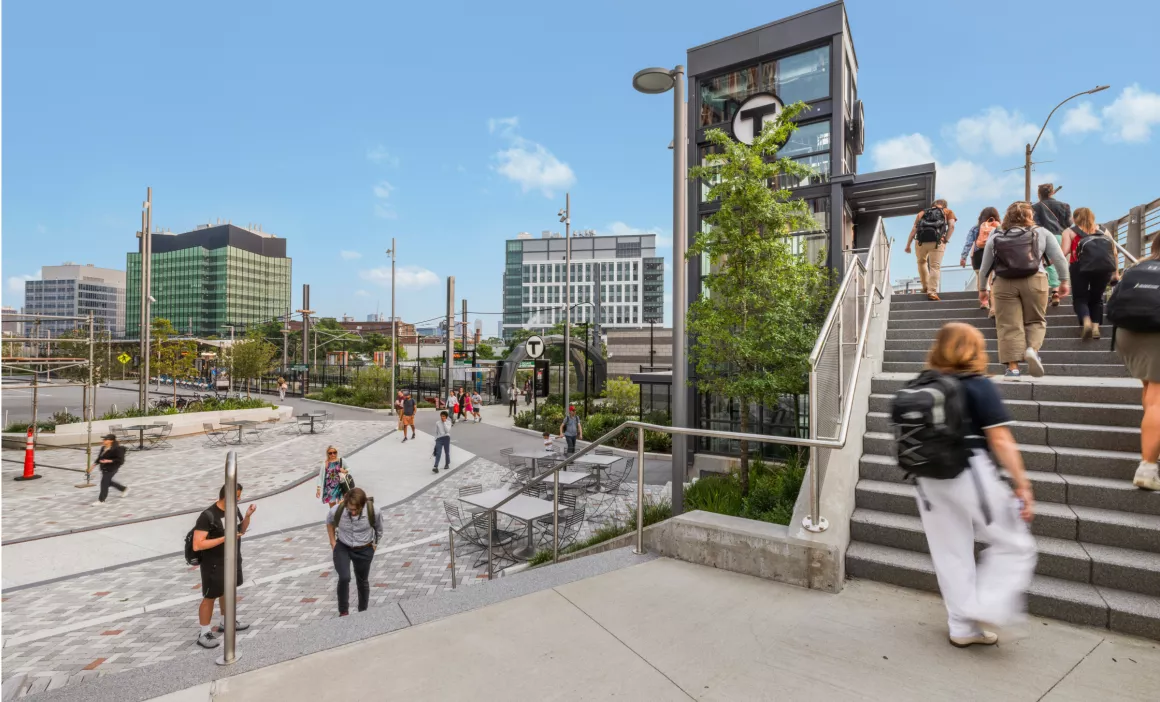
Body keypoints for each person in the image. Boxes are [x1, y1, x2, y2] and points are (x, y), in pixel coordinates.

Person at [915, 323, 1037, 647]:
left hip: (926, 479)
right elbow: (1000, 439)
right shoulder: (977, 385)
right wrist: (1022, 485)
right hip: (968, 471)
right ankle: (987, 607)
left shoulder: (922, 385)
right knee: (1016, 544)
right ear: (974, 349)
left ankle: (963, 628)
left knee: (950, 552)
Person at [978, 201, 1070, 379]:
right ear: (1030, 216)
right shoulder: (1041, 232)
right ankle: (1032, 349)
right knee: (1035, 320)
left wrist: (983, 288)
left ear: (1007, 216)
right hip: (1035, 279)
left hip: (1003, 282)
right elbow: (1059, 259)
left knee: (1008, 324)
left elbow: (985, 267)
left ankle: (1013, 369)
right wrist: (1064, 281)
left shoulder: (997, 234)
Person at [1108, 239, 1160, 491]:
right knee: (1159, 398)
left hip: (1127, 335)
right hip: (1155, 332)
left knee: (1152, 391)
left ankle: (1153, 442)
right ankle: (1148, 467)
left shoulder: (1137, 268)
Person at [192, 483, 256, 648]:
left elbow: (240, 529)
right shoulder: (208, 516)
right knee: (210, 597)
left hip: (233, 559)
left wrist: (248, 516)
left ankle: (226, 622)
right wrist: (224, 538)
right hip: (213, 564)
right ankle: (204, 633)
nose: (240, 499)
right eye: (237, 496)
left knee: (227, 591)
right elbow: (197, 544)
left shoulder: (234, 509)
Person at [1061, 207, 1117, 340]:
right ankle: (1096, 328)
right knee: (1097, 298)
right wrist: (1116, 273)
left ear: (1075, 218)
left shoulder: (1070, 231)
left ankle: (1086, 320)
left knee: (1080, 297)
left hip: (1079, 266)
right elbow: (1114, 252)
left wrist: (1049, 262)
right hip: (1104, 268)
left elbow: (1063, 252)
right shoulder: (1104, 231)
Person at [327, 487, 383, 617]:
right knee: (344, 577)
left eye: (355, 510)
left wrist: (373, 546)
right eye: (349, 509)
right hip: (343, 546)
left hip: (364, 548)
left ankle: (362, 612)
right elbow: (329, 521)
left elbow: (379, 530)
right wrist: (332, 542)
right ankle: (343, 612)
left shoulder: (374, 511)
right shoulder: (338, 510)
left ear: (362, 505)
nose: (352, 512)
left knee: (362, 581)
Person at [905, 199, 957, 301]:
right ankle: (932, 292)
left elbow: (914, 229)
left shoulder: (922, 212)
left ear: (933, 205)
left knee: (921, 262)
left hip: (920, 242)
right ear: (944, 205)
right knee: (935, 266)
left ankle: (925, 287)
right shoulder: (948, 212)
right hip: (937, 242)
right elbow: (952, 226)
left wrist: (908, 245)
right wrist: (946, 239)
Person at [1033, 184, 1073, 308]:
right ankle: (1064, 285)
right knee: (1061, 261)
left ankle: (1054, 290)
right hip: (1062, 236)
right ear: (1052, 193)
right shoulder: (1064, 206)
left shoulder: (1035, 207)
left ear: (1039, 194)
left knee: (1048, 264)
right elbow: (1069, 223)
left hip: (1044, 236)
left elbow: (1035, 224)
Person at [960, 207, 1001, 310]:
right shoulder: (999, 227)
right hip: (993, 254)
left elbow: (968, 243)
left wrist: (963, 257)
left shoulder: (976, 228)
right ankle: (994, 304)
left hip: (978, 256)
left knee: (981, 280)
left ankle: (984, 302)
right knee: (993, 280)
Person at [91, 433, 128, 505]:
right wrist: (93, 466)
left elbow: (121, 461)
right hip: (104, 467)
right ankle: (123, 489)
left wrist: (109, 461)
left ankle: (101, 500)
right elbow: (99, 458)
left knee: (104, 483)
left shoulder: (117, 449)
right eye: (103, 439)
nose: (103, 441)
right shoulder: (103, 448)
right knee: (108, 482)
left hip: (112, 468)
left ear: (111, 441)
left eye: (106, 439)